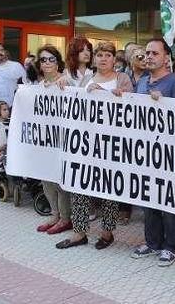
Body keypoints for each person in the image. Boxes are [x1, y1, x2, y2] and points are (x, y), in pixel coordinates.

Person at [56, 41, 133, 251]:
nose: (103, 58)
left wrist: (115, 95)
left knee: (108, 187)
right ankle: (79, 232)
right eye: (99, 55)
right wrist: (63, 82)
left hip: (112, 144)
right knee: (79, 185)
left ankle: (107, 233)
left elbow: (133, 107)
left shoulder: (122, 78)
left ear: (114, 59)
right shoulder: (87, 78)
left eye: (108, 55)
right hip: (87, 143)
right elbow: (75, 102)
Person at [131, 38, 175, 267]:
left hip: (168, 152)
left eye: (155, 53)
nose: (149, 57)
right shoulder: (143, 81)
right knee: (149, 198)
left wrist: (164, 104)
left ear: (166, 57)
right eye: (147, 53)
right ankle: (152, 242)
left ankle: (170, 246)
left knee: (168, 200)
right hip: (146, 150)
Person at [32, 46, 74, 236]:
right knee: (45, 179)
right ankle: (55, 215)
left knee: (59, 181)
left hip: (63, 140)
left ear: (58, 62)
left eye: (51, 59)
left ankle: (66, 219)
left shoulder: (66, 81)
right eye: (43, 60)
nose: (47, 63)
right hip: (44, 139)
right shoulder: (38, 87)